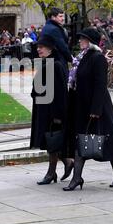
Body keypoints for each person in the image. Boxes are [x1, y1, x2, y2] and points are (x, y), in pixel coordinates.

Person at [64, 27, 113, 191]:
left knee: (107, 140)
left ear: (90, 41)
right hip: (83, 106)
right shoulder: (83, 57)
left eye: (82, 38)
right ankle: (77, 178)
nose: (79, 41)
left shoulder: (97, 58)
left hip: (98, 108)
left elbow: (100, 85)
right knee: (82, 140)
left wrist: (96, 109)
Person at [30, 36, 70, 185]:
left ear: (51, 48)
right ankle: (66, 162)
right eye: (38, 47)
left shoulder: (56, 65)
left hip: (52, 111)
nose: (39, 49)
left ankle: (51, 172)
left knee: (52, 141)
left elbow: (60, 93)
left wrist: (57, 115)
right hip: (43, 108)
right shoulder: (46, 63)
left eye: (42, 47)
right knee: (49, 141)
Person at [39, 7, 72, 72]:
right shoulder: (55, 29)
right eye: (60, 16)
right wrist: (71, 59)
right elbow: (63, 47)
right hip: (57, 62)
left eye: (63, 16)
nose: (63, 18)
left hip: (48, 61)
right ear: (53, 17)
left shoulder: (46, 27)